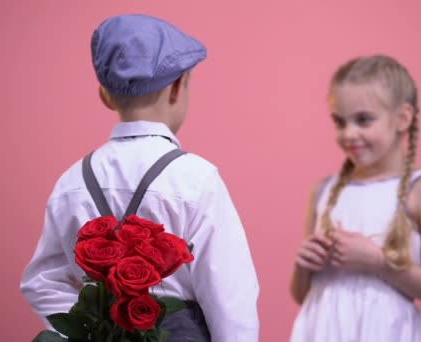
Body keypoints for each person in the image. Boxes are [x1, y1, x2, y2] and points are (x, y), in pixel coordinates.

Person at [20, 14, 259, 341]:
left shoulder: (71, 182)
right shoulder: (197, 179)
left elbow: (43, 281)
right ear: (177, 87)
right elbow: (230, 297)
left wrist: (93, 329)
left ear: (105, 95)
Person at [289, 55, 421, 341]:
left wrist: (378, 263)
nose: (349, 133)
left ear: (402, 118)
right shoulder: (322, 191)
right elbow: (303, 296)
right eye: (340, 121)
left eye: (363, 120)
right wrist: (303, 266)